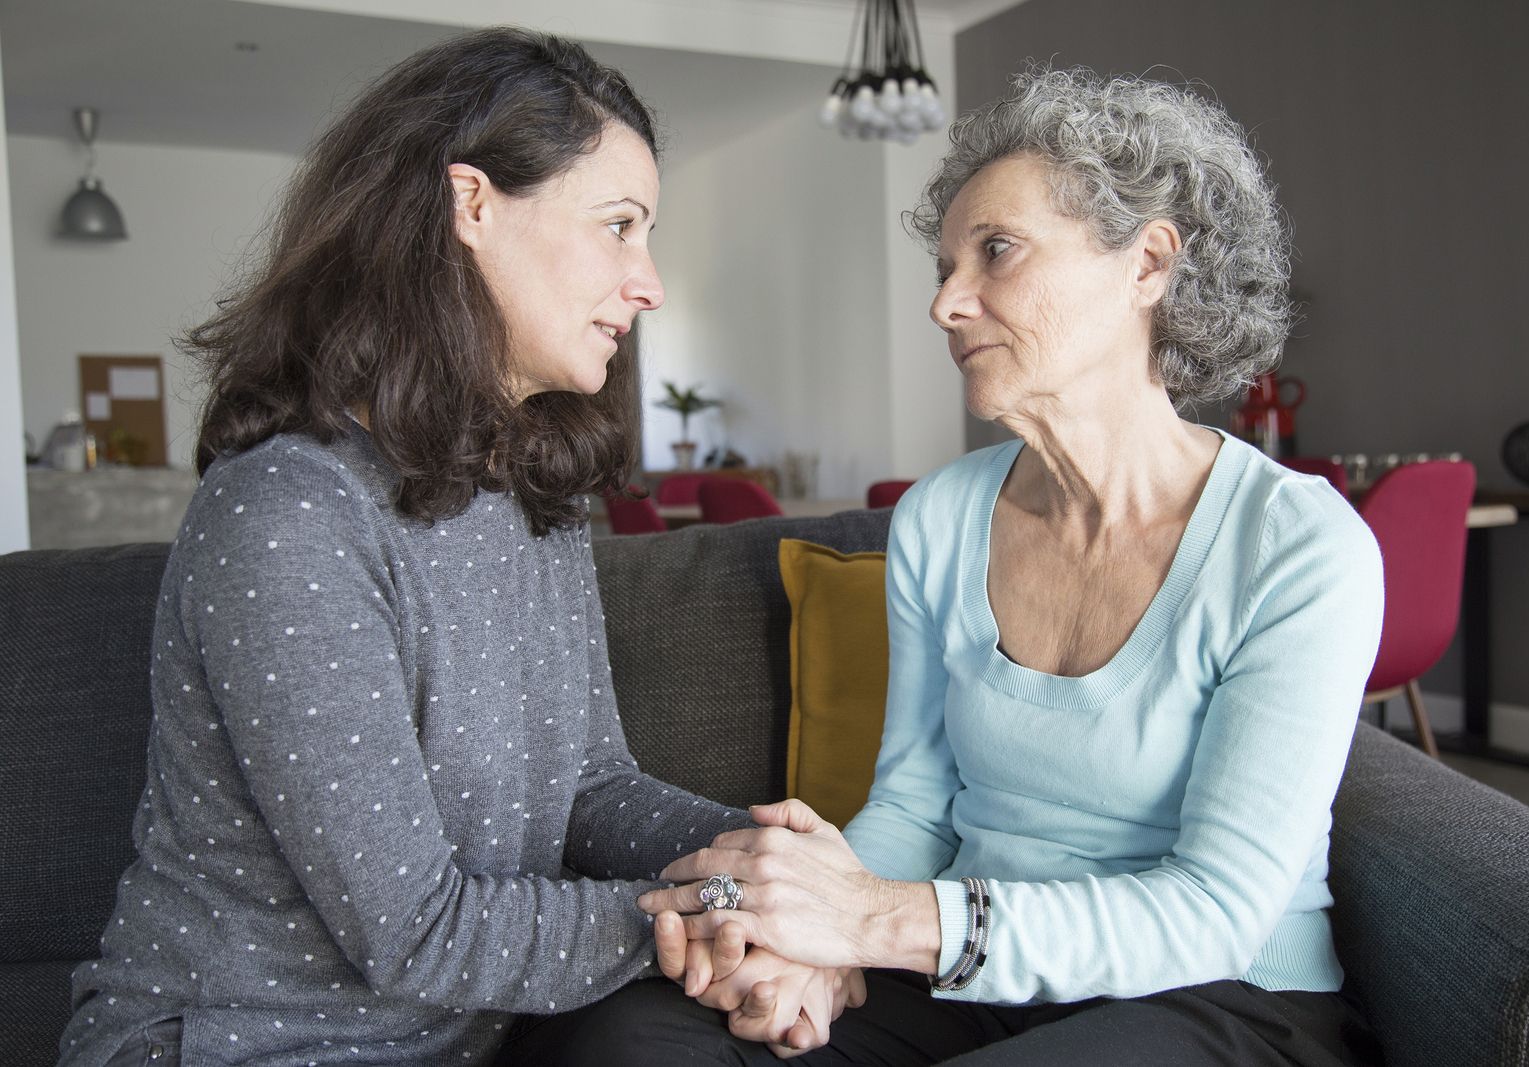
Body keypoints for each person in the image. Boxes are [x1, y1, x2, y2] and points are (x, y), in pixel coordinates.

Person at [56, 27, 862, 1067]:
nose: (647, 281)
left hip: (468, 1039)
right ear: (470, 205)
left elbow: (590, 788)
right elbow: (415, 926)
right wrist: (724, 909)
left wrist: (777, 873)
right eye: (618, 225)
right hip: (243, 1042)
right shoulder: (287, 515)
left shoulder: (533, 489)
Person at [616, 68, 1387, 1064]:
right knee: (635, 1034)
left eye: (996, 252)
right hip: (973, 974)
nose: (945, 302)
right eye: (944, 265)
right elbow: (908, 804)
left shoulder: (1294, 545)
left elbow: (1214, 909)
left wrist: (874, 923)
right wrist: (807, 948)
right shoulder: (941, 515)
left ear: (1146, 262)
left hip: (1218, 994)